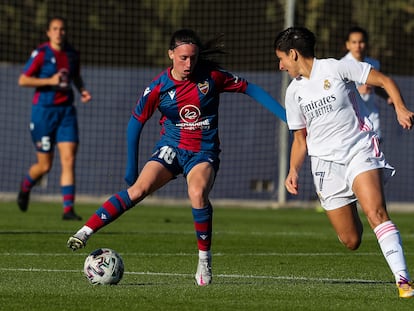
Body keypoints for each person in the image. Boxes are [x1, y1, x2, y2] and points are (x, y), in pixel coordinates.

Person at [67, 28, 286, 286]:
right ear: (171, 54)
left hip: (203, 152)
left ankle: (204, 260)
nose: (188, 63)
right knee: (138, 190)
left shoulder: (211, 77)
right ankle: (84, 231)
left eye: (193, 57)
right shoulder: (158, 87)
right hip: (171, 148)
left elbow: (250, 88)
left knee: (197, 193)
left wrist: (286, 117)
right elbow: (135, 124)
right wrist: (131, 166)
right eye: (182, 57)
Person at [275, 26, 414, 298]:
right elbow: (300, 140)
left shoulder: (336, 68)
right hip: (325, 166)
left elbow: (384, 81)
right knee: (351, 240)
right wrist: (293, 170)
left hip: (358, 151)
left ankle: (403, 280)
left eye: (281, 58)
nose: (280, 66)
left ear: (293, 54)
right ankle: (354, 202)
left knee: (376, 213)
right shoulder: (293, 93)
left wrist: (400, 106)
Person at [17, 16, 92, 220]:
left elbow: (75, 76)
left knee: (68, 159)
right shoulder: (41, 53)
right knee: (45, 166)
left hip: (66, 112)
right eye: (55, 29)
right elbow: (23, 79)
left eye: (62, 29)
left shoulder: (72, 54)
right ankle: (25, 188)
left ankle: (68, 210)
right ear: (48, 32)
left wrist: (82, 90)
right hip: (44, 112)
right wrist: (49, 80)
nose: (59, 32)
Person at [342, 26, 391, 140]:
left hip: (371, 116)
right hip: (351, 120)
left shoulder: (374, 63)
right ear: (348, 45)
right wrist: (358, 90)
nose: (358, 46)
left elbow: (378, 86)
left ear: (366, 43)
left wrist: (388, 97)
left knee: (376, 152)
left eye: (361, 42)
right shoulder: (342, 65)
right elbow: (337, 92)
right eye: (354, 42)